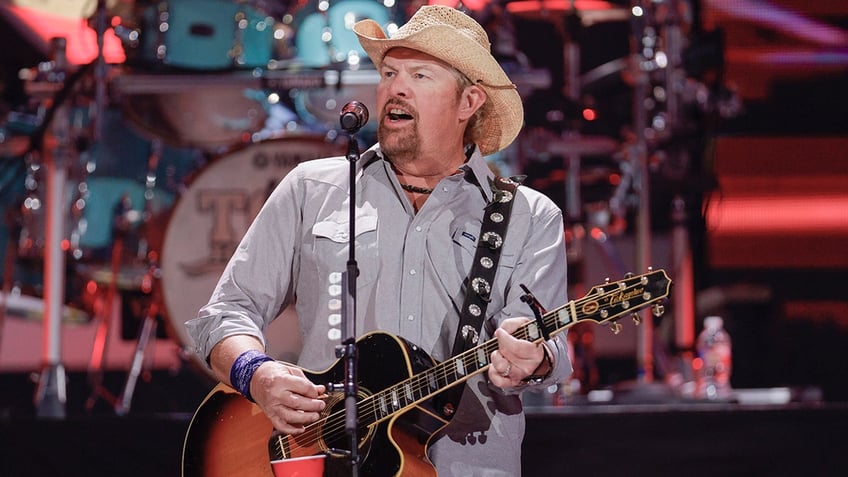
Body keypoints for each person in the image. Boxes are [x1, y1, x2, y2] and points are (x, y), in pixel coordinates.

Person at [185, 5, 571, 476]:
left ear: (468, 102)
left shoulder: (529, 217)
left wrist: (532, 361)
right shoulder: (314, 188)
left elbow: (548, 348)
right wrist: (256, 375)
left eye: (421, 74)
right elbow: (224, 314)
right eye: (389, 72)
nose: (396, 87)